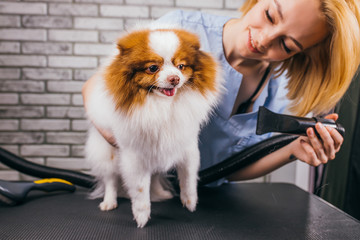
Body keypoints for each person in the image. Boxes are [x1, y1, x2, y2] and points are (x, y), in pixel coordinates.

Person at [82, 0, 360, 184]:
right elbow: (95, 86)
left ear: (303, 53)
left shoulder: (282, 89)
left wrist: (293, 150)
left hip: (210, 205)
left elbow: (231, 167)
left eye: (287, 45)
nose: (263, 41)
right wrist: (121, 137)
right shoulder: (180, 31)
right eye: (269, 15)